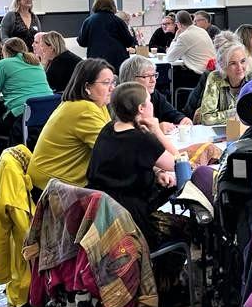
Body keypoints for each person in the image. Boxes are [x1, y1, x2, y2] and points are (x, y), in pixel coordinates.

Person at [86, 81, 181, 247]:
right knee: (186, 228)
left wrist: (156, 173)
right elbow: (178, 162)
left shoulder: (108, 129)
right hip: (132, 221)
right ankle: (161, 270)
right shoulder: (142, 139)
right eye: (149, 101)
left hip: (103, 216)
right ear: (141, 109)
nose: (152, 105)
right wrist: (157, 130)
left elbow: (125, 163)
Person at [27, 59, 114, 191]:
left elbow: (112, 138)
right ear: (87, 87)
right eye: (106, 83)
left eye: (113, 82)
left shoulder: (95, 104)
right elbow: (112, 150)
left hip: (54, 179)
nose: (112, 88)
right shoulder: (84, 108)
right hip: (52, 186)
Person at [0, 38, 54, 145]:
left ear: (6, 51)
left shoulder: (4, 63)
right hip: (48, 112)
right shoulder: (36, 62)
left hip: (22, 113)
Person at [118, 54, 192, 133]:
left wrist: (182, 119)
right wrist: (156, 128)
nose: (153, 80)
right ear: (131, 78)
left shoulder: (154, 95)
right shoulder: (122, 100)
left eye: (154, 75)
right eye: (147, 76)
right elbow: (127, 133)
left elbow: (171, 113)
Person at [198, 42, 252, 125]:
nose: (240, 67)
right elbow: (207, 118)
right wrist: (241, 111)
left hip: (248, 130)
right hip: (220, 132)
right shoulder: (215, 78)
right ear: (223, 66)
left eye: (242, 61)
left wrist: (224, 115)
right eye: (233, 63)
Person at [77, 0, 137, 70]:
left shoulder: (88, 21)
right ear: (112, 5)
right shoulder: (118, 21)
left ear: (95, 5)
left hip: (96, 62)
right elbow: (129, 41)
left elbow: (82, 42)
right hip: (117, 62)